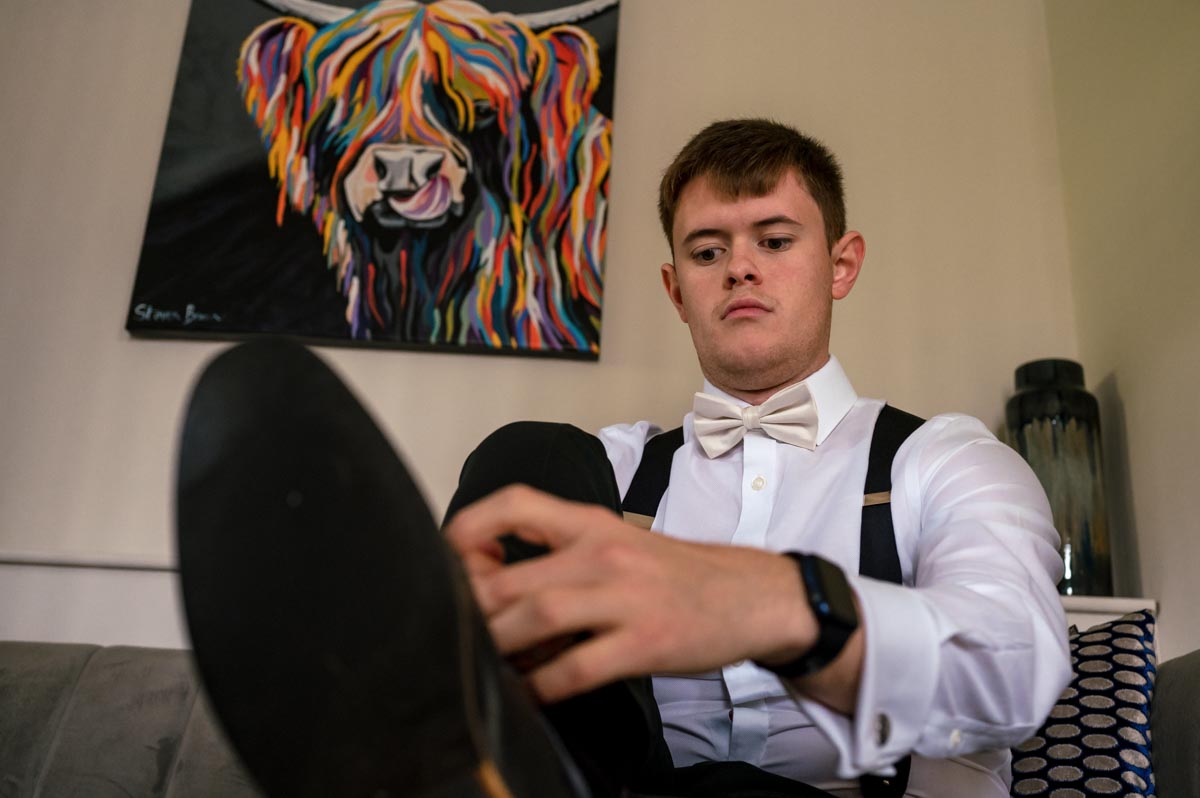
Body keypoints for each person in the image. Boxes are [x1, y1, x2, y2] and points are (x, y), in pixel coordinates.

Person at [176, 118, 1072, 798]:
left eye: (774, 240)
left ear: (840, 265)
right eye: (708, 251)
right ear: (676, 289)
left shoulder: (942, 459)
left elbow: (1017, 667)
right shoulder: (606, 471)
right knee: (529, 453)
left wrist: (775, 604)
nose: (740, 269)